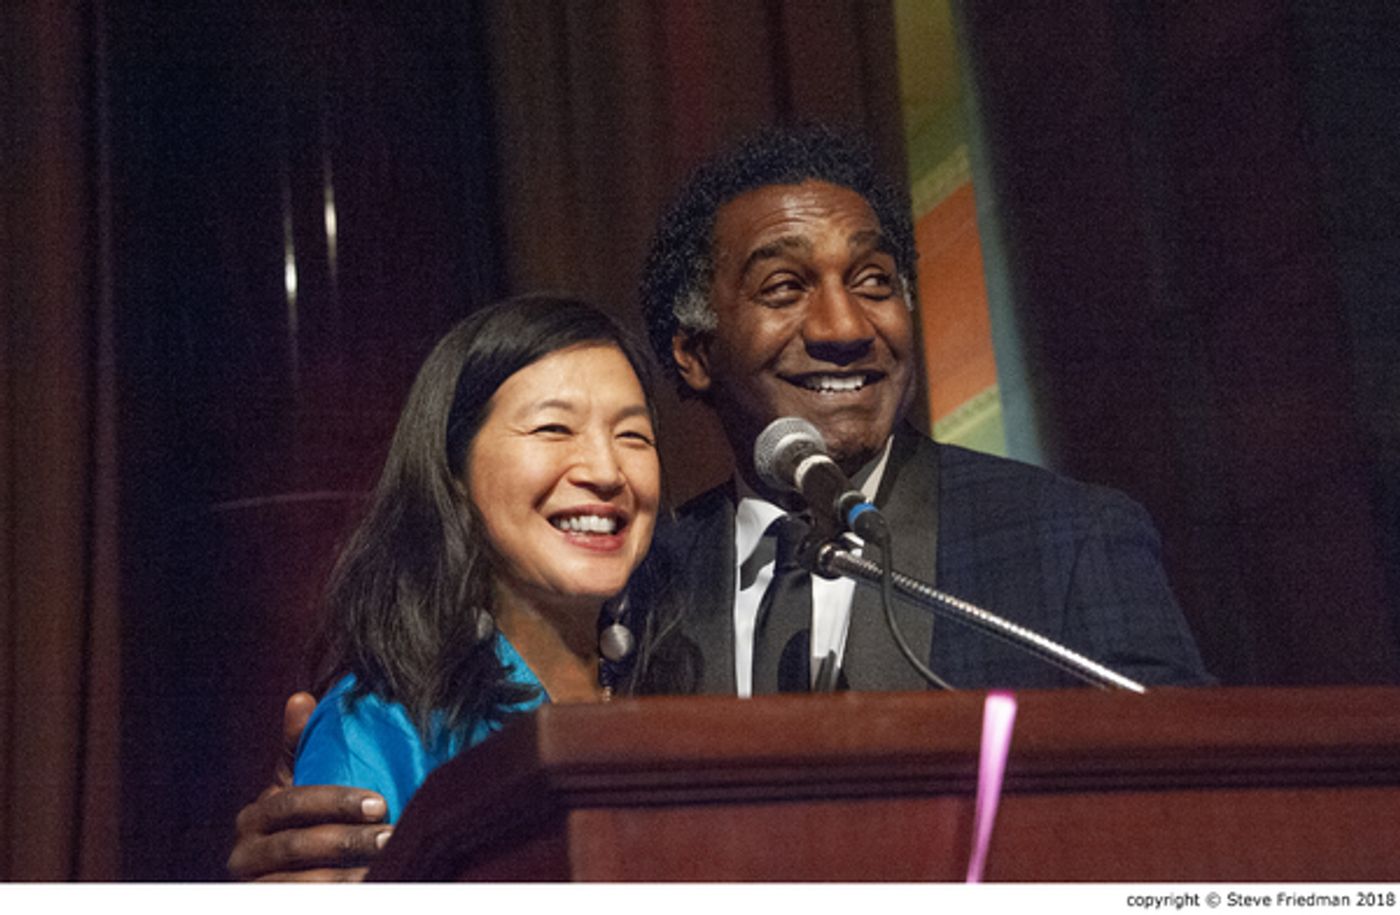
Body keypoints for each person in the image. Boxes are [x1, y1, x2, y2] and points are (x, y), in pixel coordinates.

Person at [228, 124, 1210, 880]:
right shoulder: (628, 584)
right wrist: (318, 826)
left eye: (872, 280)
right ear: (694, 354)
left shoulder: (1065, 538)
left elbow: (1200, 818)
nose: (841, 324)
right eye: (784, 286)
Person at [228, 294, 661, 877]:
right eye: (555, 428)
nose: (606, 472)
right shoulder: (379, 727)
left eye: (633, 437)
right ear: (454, 472)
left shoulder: (680, 680)